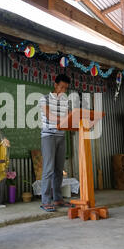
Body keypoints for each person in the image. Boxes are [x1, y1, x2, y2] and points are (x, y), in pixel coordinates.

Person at [39, 74, 74, 212]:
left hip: (61, 136)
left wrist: (71, 119)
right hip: (48, 136)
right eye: (61, 87)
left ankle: (58, 199)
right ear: (55, 84)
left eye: (65, 88)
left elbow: (71, 117)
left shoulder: (65, 102)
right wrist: (64, 118)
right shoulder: (44, 99)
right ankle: (46, 201)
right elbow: (49, 116)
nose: (63, 90)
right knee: (48, 169)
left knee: (59, 170)